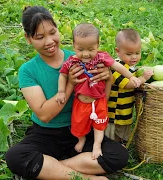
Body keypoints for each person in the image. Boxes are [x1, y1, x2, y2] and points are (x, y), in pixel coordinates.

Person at [5, 6, 129, 180]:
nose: (49, 41)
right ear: (28, 38)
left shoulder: (83, 57)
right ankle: (85, 177)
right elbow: (44, 115)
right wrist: (70, 83)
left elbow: (102, 100)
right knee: (16, 157)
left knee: (119, 155)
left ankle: (50, 169)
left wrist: (107, 79)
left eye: (52, 32)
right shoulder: (28, 70)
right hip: (46, 134)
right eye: (40, 37)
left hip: (81, 131)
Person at [57, 23, 142, 160]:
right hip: (81, 102)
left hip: (99, 100)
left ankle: (97, 144)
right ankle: (81, 139)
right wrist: (61, 91)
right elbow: (63, 75)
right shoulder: (71, 61)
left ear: (97, 45)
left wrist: (131, 76)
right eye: (80, 49)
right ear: (73, 46)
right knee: (78, 124)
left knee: (100, 124)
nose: (86, 54)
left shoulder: (101, 57)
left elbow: (118, 67)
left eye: (91, 49)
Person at [105, 28, 153, 144]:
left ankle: (121, 143)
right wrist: (143, 78)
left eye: (137, 53)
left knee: (123, 130)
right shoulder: (116, 67)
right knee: (114, 134)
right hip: (115, 112)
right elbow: (127, 84)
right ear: (118, 51)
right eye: (129, 54)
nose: (134, 57)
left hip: (126, 110)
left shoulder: (131, 67)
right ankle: (114, 146)